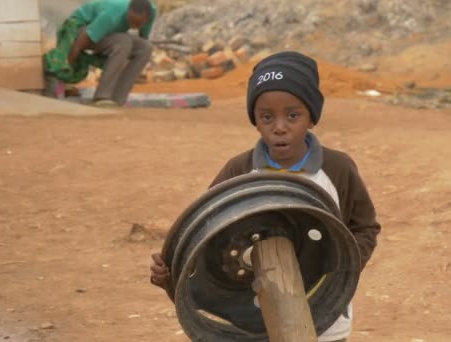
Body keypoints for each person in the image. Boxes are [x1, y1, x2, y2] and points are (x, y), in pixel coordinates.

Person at [150, 51, 381, 342]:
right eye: (267, 117)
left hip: (325, 318)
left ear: (312, 117)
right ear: (255, 121)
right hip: (257, 320)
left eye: (293, 115)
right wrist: (171, 272)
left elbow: (364, 228)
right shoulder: (240, 171)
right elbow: (203, 234)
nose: (280, 126)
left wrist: (341, 265)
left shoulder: (336, 169)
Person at [43, 0, 156, 107]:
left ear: (147, 18)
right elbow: (81, 41)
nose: (133, 26)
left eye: (138, 23)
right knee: (124, 42)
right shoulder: (112, 14)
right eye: (130, 21)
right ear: (127, 12)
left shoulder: (151, 12)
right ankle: (102, 97)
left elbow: (143, 39)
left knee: (146, 47)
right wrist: (66, 68)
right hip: (81, 29)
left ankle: (117, 99)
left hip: (109, 33)